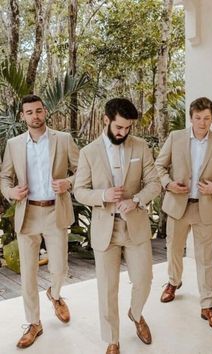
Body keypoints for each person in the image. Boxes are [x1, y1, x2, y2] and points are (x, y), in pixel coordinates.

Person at [74, 98, 160, 354]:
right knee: (107, 287)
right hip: (104, 230)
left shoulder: (141, 147)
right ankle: (112, 339)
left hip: (134, 225)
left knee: (144, 279)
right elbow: (79, 191)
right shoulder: (88, 152)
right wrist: (103, 196)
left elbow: (154, 183)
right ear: (106, 120)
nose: (124, 132)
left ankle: (136, 314)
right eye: (119, 127)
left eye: (128, 128)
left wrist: (136, 200)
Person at [1, 94, 79, 348]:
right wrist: (11, 192)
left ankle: (55, 295)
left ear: (45, 111)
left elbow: (83, 171)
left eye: (38, 110)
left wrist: (68, 182)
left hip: (55, 212)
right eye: (29, 112)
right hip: (28, 214)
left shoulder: (63, 139)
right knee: (28, 274)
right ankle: (34, 323)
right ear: (22, 116)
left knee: (59, 268)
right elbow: (5, 177)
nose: (34, 116)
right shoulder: (14, 144)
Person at [156, 97, 212, 331]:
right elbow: (159, 166)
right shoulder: (175, 137)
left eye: (207, 118)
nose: (202, 123)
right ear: (191, 117)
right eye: (198, 118)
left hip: (206, 207)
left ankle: (207, 305)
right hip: (178, 206)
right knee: (173, 250)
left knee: (205, 257)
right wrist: (168, 184)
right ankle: (173, 282)